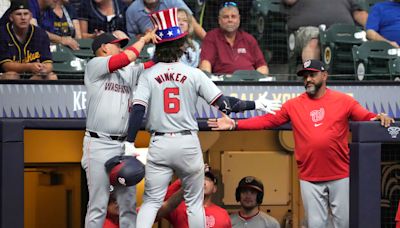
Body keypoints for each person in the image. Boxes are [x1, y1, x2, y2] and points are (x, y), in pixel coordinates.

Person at [208, 59, 395, 228]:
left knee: (343, 223)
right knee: (315, 225)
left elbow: (365, 116)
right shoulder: (293, 104)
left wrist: (379, 117)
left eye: (312, 75)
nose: (308, 79)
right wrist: (235, 124)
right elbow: (266, 121)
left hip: (339, 173)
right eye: (305, 76)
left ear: (324, 75)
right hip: (309, 176)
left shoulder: (343, 100)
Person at [124, 7, 249, 228]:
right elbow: (225, 105)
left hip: (160, 142)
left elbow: (137, 111)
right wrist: (255, 104)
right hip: (187, 142)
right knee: (194, 203)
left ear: (158, 46)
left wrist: (128, 142)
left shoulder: (148, 74)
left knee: (152, 201)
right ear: (181, 45)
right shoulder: (193, 73)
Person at [81, 28, 158, 228]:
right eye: (117, 45)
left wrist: (162, 44)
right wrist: (143, 40)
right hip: (98, 143)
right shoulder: (95, 65)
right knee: (98, 204)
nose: (120, 49)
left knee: (128, 203)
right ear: (104, 48)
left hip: (122, 146)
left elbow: (151, 65)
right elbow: (125, 58)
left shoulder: (126, 72)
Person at [282, 0, 368, 62]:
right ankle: (313, 79)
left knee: (362, 43)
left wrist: (372, 31)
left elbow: (359, 13)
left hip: (343, 31)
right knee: (314, 40)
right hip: (310, 29)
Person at [199, 2, 269, 75]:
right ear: (219, 20)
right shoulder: (212, 37)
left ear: (239, 19)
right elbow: (205, 63)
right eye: (226, 17)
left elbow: (262, 66)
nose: (230, 20)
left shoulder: (249, 39)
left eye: (233, 17)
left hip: (249, 83)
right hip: (223, 84)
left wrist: (257, 81)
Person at [0, 0, 57, 80]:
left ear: (30, 16)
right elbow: (6, 66)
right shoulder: (2, 33)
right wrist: (29, 67)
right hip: (6, 76)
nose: (23, 18)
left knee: (51, 76)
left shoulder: (40, 34)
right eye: (18, 14)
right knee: (11, 76)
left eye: (26, 14)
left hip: (32, 76)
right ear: (11, 17)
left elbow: (48, 62)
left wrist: (44, 69)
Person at [163, 166, 232, 227]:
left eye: (208, 179)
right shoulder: (180, 208)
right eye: (200, 178)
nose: (203, 182)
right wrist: (186, 178)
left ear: (214, 188)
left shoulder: (222, 214)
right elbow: (164, 198)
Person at [125, 0, 206, 40]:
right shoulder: (132, 10)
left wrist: (210, 42)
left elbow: (193, 23)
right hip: (148, 49)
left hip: (178, 43)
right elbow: (133, 38)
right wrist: (146, 36)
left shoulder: (172, 1)